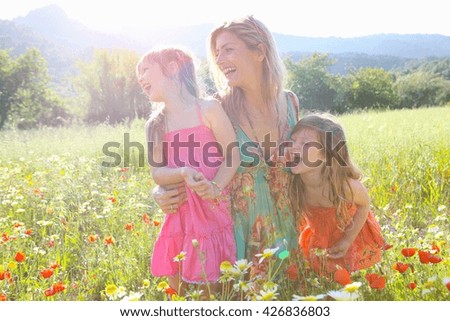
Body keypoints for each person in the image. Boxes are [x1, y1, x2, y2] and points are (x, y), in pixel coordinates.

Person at [152, 16, 300, 267]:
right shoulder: (217, 109)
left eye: (228, 50)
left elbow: (309, 166)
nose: (219, 61)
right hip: (237, 245)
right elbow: (182, 166)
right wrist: (159, 191)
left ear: (260, 51)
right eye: (217, 53)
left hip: (288, 240)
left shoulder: (290, 103)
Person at [136, 47, 239, 294]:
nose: (140, 78)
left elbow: (232, 155)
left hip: (212, 209)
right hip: (181, 213)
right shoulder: (156, 124)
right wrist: (182, 172)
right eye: (138, 74)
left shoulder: (207, 109)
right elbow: (157, 173)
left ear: (172, 68)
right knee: (179, 283)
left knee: (214, 285)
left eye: (145, 70)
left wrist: (215, 187)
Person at [288, 113, 384, 275]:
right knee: (324, 279)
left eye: (305, 144)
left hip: (350, 234)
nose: (294, 147)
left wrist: (348, 239)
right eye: (292, 140)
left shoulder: (343, 186)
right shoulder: (295, 184)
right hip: (321, 236)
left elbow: (365, 203)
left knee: (352, 279)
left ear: (326, 154)